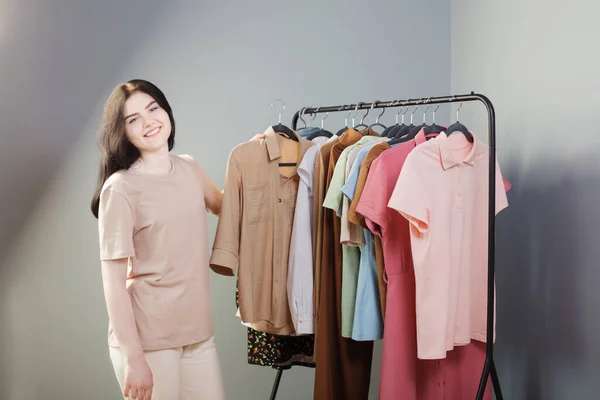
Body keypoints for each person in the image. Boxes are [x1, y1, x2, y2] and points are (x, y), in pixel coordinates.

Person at [91, 79, 230, 400]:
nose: (148, 121)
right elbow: (112, 284)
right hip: (148, 341)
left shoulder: (189, 168)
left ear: (166, 110)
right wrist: (135, 359)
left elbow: (228, 206)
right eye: (133, 119)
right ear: (123, 132)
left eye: (153, 109)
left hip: (197, 334)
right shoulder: (121, 188)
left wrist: (253, 157)